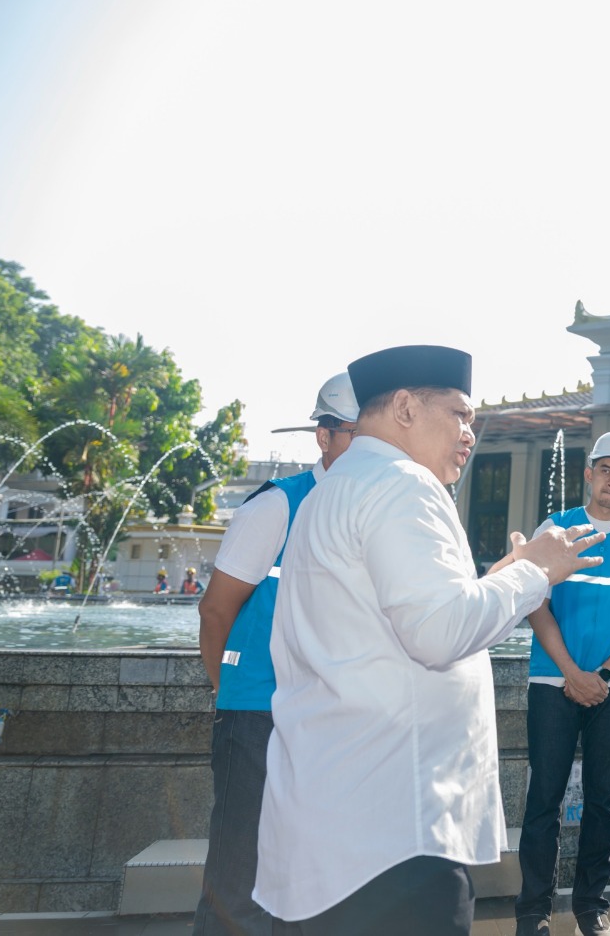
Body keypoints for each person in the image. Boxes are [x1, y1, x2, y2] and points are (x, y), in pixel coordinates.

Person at [253, 345, 604, 935]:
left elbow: (407, 619)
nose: (470, 433)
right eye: (460, 414)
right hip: (395, 834)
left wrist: (496, 582)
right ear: (406, 408)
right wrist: (533, 573)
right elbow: (439, 634)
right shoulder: (403, 485)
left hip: (340, 819)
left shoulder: (331, 490)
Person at [192, 372, 360, 935]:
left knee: (306, 883)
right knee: (239, 878)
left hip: (330, 722)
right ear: (324, 437)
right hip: (257, 715)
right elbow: (216, 611)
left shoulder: (372, 514)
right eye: (355, 435)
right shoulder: (276, 506)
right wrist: (233, 693)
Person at [518, 430, 610, 936]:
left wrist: (601, 675)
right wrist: (571, 672)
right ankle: (533, 912)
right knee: (544, 799)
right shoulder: (555, 529)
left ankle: (590, 907)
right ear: (588, 473)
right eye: (605, 470)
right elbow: (535, 605)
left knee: (604, 801)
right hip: (551, 682)